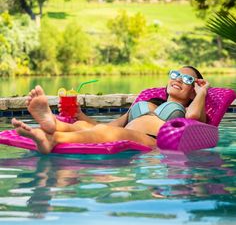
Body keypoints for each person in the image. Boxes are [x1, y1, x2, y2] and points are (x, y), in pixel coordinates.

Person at [11, 66, 210, 154]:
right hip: (127, 131)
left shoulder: (191, 107)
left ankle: (53, 138)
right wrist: (81, 116)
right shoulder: (148, 102)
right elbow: (107, 124)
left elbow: (193, 118)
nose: (178, 79)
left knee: (110, 133)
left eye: (187, 79)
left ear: (193, 90)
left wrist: (202, 92)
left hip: (153, 141)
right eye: (175, 74)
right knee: (82, 125)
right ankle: (52, 124)